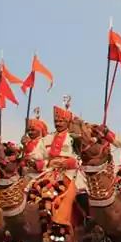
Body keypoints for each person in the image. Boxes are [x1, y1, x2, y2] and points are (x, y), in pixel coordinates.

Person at [28, 96, 91, 224]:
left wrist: (70, 162)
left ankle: (89, 221)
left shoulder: (74, 137)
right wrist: (46, 163)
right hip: (51, 172)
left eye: (61, 121)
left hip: (72, 172)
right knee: (33, 190)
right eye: (56, 121)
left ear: (68, 121)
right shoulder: (46, 139)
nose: (58, 123)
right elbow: (34, 156)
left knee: (81, 192)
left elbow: (84, 155)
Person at [21, 107, 48, 177]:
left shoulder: (45, 142)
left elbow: (50, 160)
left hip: (42, 177)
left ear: (40, 130)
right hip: (26, 177)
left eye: (33, 130)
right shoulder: (26, 142)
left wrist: (36, 165)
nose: (30, 132)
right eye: (28, 130)